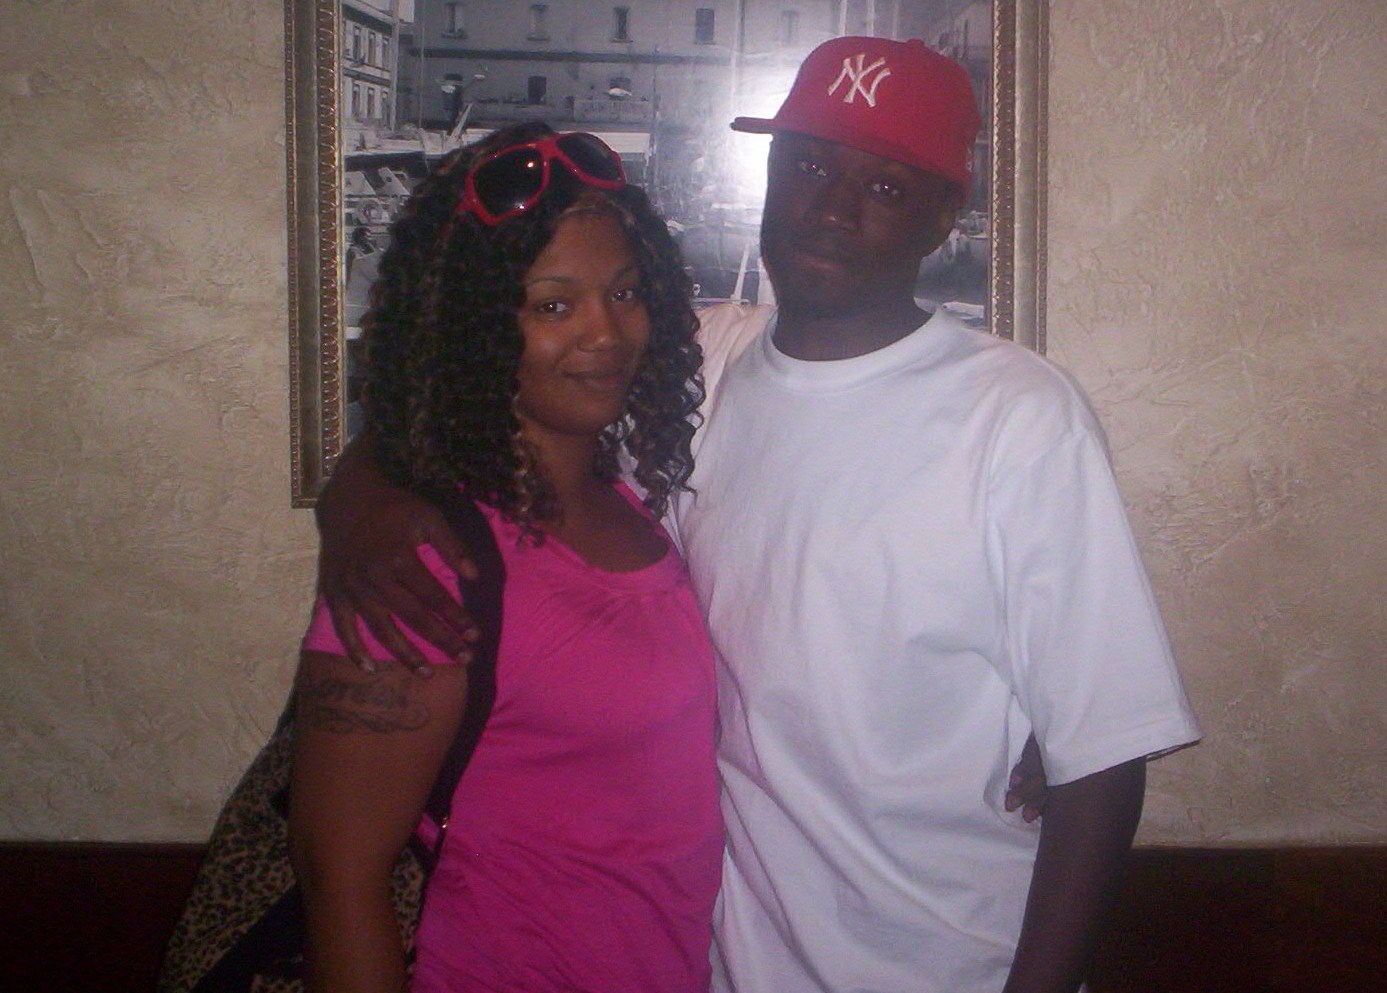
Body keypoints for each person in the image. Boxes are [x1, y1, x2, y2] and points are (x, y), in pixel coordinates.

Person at [314, 38, 1200, 993]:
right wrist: (364, 496)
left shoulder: (1015, 415)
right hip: (732, 966)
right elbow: (469, 391)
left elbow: (1102, 758)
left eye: (884, 186)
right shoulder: (694, 364)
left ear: (945, 216)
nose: (831, 206)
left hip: (950, 964)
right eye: (808, 165)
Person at [288, 123, 723, 993]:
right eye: (552, 306)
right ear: (476, 325)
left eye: (625, 292)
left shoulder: (631, 499)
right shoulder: (421, 562)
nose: (606, 333)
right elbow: (340, 880)